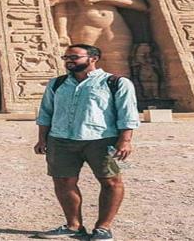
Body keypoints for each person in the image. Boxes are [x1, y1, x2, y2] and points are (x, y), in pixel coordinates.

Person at [34, 44, 140, 240]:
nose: (69, 61)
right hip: (61, 139)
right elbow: (46, 112)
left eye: (74, 57)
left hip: (102, 140)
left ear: (93, 58)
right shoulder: (57, 83)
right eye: (66, 57)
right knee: (63, 181)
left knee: (111, 181)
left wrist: (125, 140)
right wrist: (42, 138)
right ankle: (73, 225)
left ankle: (103, 227)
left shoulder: (116, 82)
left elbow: (128, 114)